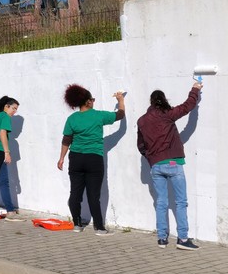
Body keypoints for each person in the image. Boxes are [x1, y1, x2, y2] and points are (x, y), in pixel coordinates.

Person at [137, 80, 203, 250]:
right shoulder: (167, 114)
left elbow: (141, 146)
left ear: (151, 102)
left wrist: (152, 158)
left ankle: (162, 238)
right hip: (173, 162)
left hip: (156, 166)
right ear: (163, 100)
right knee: (181, 202)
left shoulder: (142, 121)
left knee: (161, 202)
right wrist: (195, 89)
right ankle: (182, 239)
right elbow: (187, 106)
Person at [57, 85, 126, 235]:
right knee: (93, 194)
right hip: (94, 158)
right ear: (88, 102)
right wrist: (120, 100)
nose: (93, 101)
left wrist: (61, 158)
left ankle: (77, 224)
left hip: (75, 158)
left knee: (75, 193)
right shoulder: (99, 115)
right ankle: (99, 228)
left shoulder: (72, 118)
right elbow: (120, 115)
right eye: (92, 99)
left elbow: (66, 140)